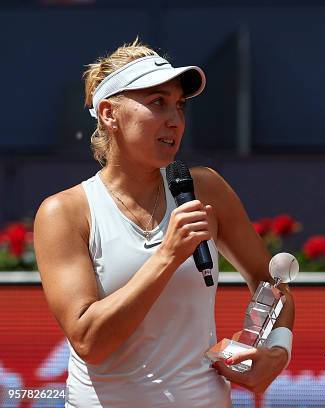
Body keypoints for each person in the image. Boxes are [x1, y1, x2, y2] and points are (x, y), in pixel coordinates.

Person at [33, 39, 294, 407]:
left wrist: (277, 349)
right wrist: (167, 256)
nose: (175, 120)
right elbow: (90, 341)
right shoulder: (64, 212)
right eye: (158, 103)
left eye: (180, 106)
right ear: (109, 114)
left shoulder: (206, 188)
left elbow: (270, 282)